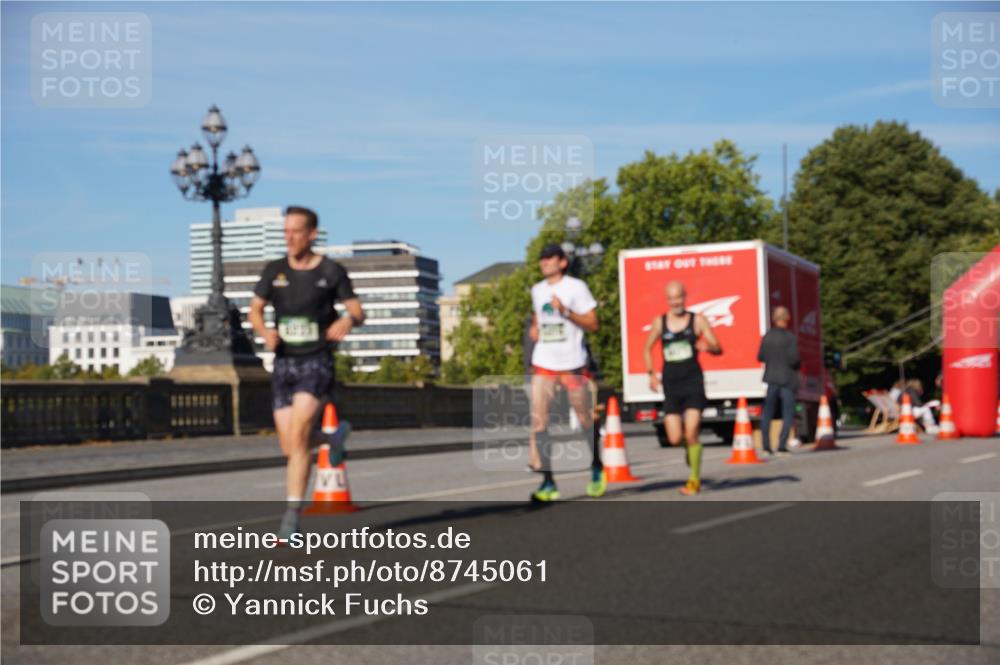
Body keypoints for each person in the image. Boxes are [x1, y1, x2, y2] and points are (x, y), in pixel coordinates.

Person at [248, 206, 364, 540]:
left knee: (299, 435)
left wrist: (346, 320)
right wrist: (264, 332)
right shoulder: (275, 270)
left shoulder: (331, 271)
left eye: (296, 231)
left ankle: (291, 517)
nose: (289, 238)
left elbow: (357, 310)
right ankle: (332, 437)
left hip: (316, 362)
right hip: (284, 363)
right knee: (291, 447)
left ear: (312, 234)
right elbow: (255, 309)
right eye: (285, 231)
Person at [527, 243, 605, 501]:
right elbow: (538, 318)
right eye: (542, 258)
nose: (544, 262)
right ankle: (548, 482)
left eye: (550, 258)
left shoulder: (576, 287)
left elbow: (594, 324)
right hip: (545, 362)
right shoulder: (537, 290)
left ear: (562, 262)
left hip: (572, 362)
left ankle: (596, 467)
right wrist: (535, 329)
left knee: (584, 419)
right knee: (539, 419)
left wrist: (566, 312)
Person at [643, 281, 722, 496]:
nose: (675, 302)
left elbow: (718, 347)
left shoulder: (697, 321)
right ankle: (691, 449)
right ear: (667, 300)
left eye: (678, 297)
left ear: (684, 297)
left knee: (692, 430)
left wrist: (709, 347)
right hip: (671, 385)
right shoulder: (660, 322)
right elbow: (647, 348)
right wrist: (651, 374)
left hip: (693, 382)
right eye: (671, 298)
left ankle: (694, 480)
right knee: (675, 438)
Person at [757, 306, 800, 456]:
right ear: (787, 318)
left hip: (771, 377)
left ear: (774, 319)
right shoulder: (790, 338)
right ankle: (781, 445)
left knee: (767, 412)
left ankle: (766, 446)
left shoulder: (767, 336)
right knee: (787, 412)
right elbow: (795, 359)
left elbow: (760, 357)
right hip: (787, 378)